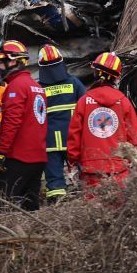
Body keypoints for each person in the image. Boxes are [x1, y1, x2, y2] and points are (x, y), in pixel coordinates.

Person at [67, 53, 137, 191]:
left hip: (91, 170)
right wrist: (136, 160)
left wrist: (72, 163)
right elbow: (134, 137)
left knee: (94, 210)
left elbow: (74, 137)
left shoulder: (84, 101)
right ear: (116, 77)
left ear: (96, 73)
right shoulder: (123, 102)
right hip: (118, 169)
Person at [0, 41, 47, 211]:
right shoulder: (36, 86)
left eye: (1, 62)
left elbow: (12, 122)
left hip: (20, 157)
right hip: (38, 158)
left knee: (4, 205)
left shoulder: (16, 87)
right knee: (30, 207)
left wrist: (1, 152)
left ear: (14, 61)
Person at [37, 45, 85, 202]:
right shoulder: (74, 83)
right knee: (83, 171)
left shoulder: (38, 89)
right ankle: (86, 199)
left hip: (50, 142)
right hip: (73, 139)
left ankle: (57, 206)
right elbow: (86, 107)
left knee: (54, 179)